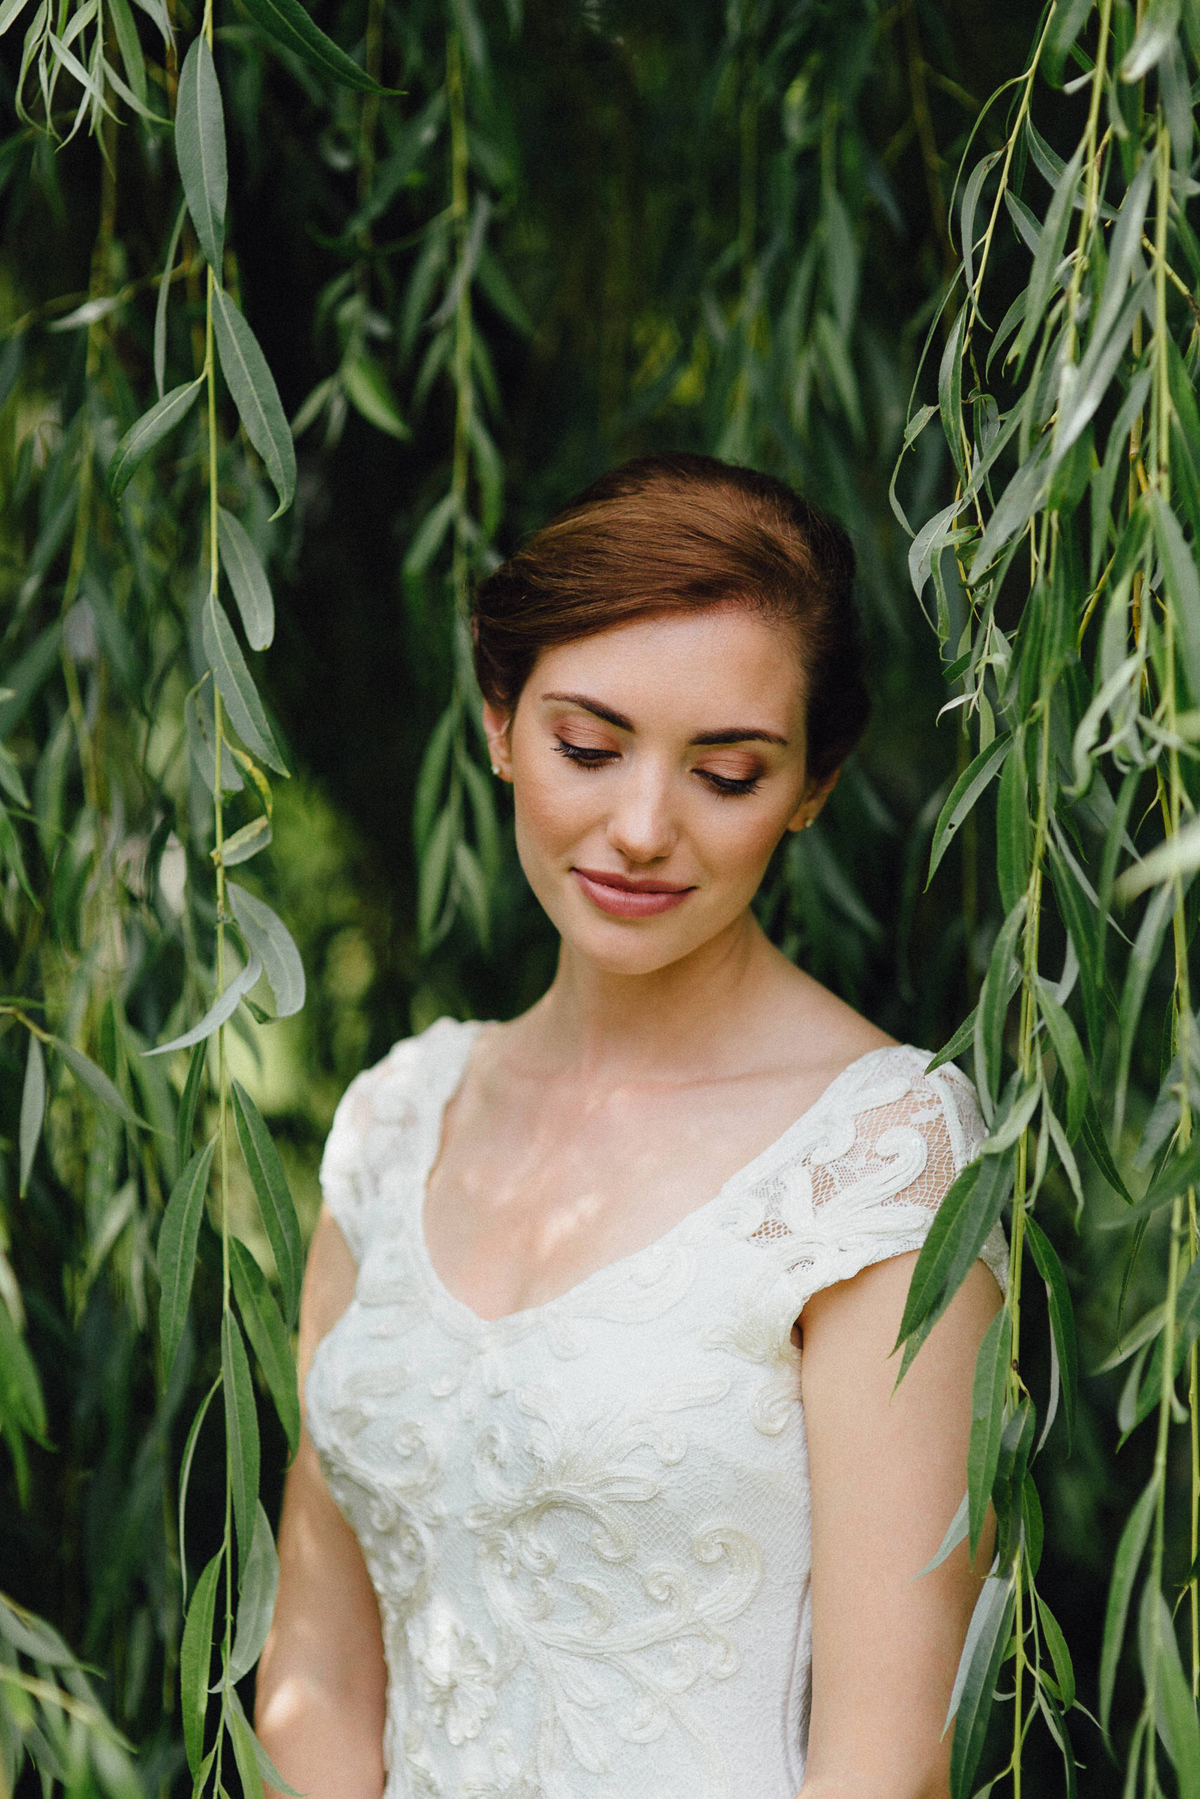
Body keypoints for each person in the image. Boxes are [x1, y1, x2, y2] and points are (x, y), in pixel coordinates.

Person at [256, 453, 1006, 1799]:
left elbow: (888, 1764)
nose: (643, 827)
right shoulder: (396, 1124)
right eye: (588, 749)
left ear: (814, 784)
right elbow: (313, 1679)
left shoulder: (881, 1159)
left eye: (726, 773)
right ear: (499, 720)